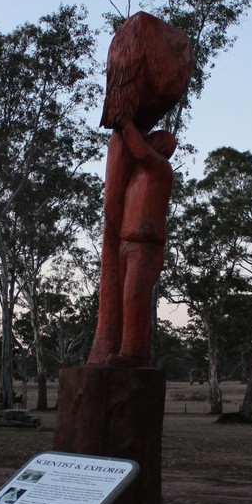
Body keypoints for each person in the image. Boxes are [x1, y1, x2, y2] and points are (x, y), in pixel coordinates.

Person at [88, 118, 176, 367]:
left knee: (135, 297)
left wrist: (125, 122)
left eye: (154, 140)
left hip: (146, 246)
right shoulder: (137, 175)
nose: (150, 142)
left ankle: (133, 353)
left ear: (162, 147)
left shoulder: (159, 168)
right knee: (127, 298)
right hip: (128, 243)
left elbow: (139, 149)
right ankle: (124, 349)